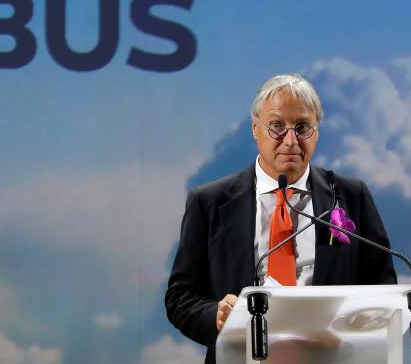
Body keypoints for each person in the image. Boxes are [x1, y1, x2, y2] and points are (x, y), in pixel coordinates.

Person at [164, 73, 397, 363]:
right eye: (276, 126)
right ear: (254, 128)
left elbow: (383, 290)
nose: (290, 140)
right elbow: (180, 298)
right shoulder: (209, 202)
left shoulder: (352, 196)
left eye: (302, 127)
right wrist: (217, 316)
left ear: (317, 132)